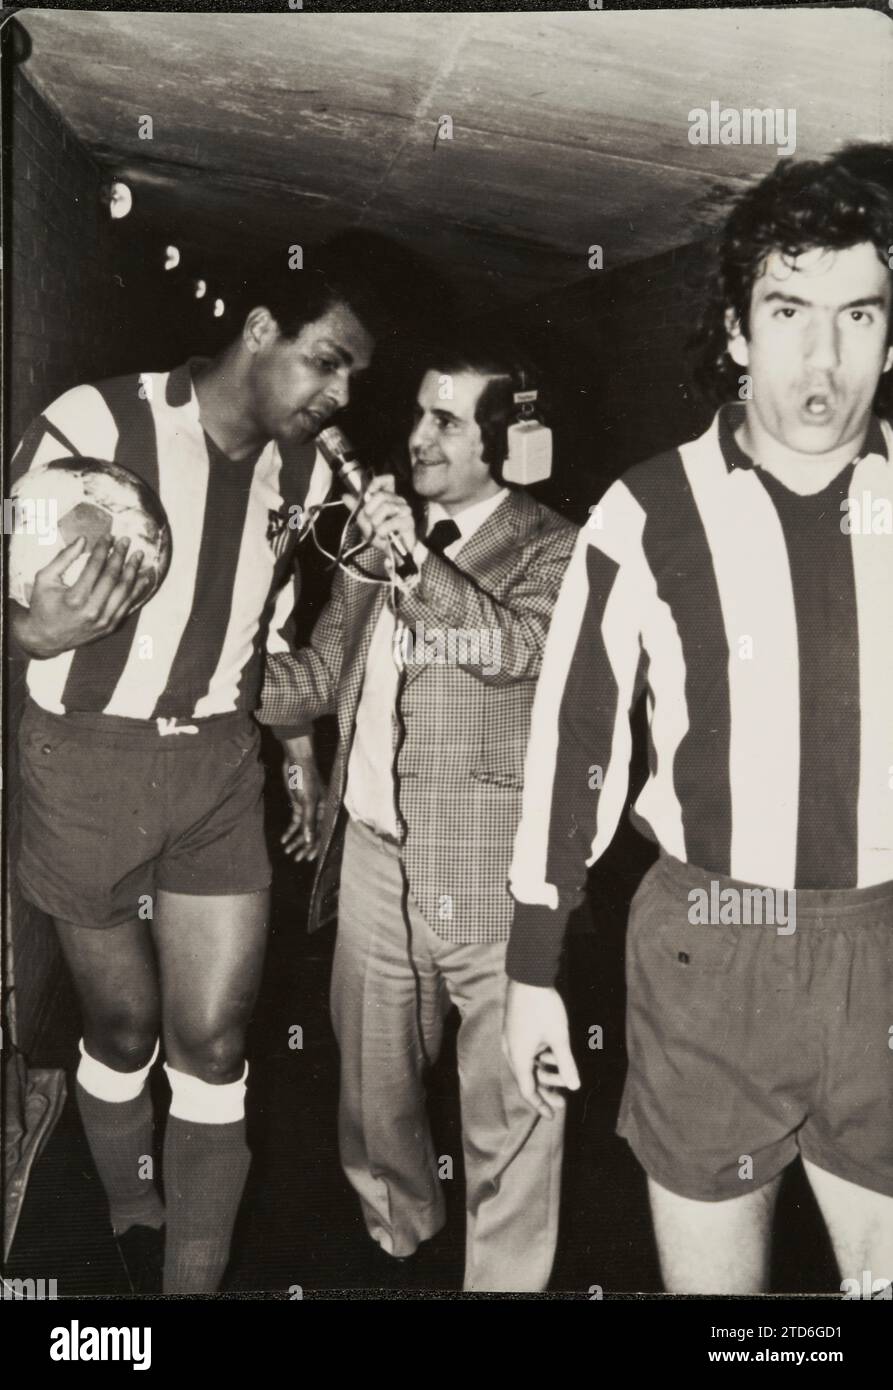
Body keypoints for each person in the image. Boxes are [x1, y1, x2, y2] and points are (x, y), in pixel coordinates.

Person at [503, 145, 893, 1295]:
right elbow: (574, 740)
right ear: (734, 331)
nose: (821, 357)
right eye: (787, 311)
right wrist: (532, 966)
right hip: (705, 953)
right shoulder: (644, 510)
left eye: (856, 315)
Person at [10, 264, 380, 1293]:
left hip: (217, 768)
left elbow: (269, 622)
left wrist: (299, 751)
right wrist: (30, 630)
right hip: (84, 759)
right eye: (325, 362)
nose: (337, 395)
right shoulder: (93, 422)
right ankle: (132, 1204)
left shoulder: (301, 477)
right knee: (122, 1026)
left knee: (211, 1043)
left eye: (352, 380)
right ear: (259, 328)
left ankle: (188, 1286)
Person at [258, 341, 577, 1290]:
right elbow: (320, 676)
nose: (417, 435)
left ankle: (504, 1281)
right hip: (373, 856)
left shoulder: (555, 544)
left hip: (491, 870)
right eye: (420, 414)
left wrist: (408, 562)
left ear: (501, 440)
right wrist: (205, 676)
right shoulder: (373, 540)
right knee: (373, 1080)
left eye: (447, 420)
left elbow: (511, 648)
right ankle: (397, 1231)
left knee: (510, 1097)